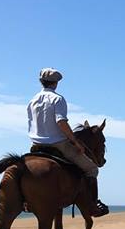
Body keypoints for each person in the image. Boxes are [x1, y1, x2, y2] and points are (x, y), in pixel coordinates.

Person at [27, 69, 110, 216]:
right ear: (56, 83)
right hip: (57, 144)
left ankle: (26, 201)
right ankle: (93, 205)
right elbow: (61, 122)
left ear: (41, 82)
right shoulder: (57, 99)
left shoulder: (32, 100)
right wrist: (75, 142)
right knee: (92, 169)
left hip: (35, 146)